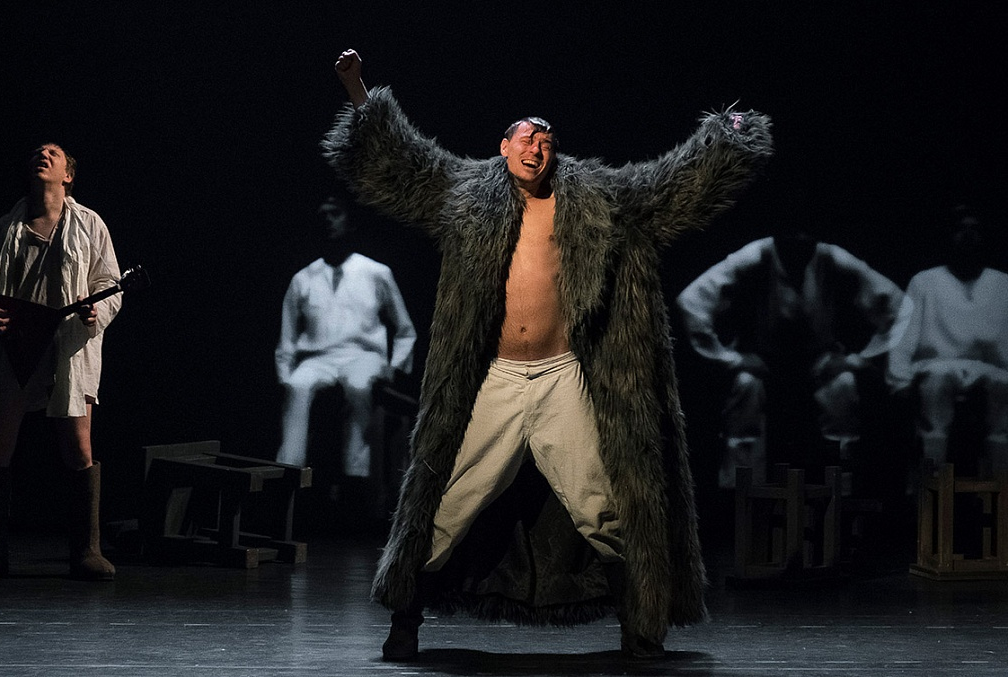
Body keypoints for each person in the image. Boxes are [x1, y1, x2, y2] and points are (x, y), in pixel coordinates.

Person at [322, 49, 773, 661]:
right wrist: (356, 87)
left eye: (546, 142)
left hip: (564, 377)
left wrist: (727, 137)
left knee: (602, 506)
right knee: (449, 503)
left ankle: (641, 626)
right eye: (527, 139)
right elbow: (399, 159)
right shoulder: (464, 193)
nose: (537, 149)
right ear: (503, 147)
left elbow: (670, 185)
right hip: (496, 378)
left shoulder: (596, 197)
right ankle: (406, 619)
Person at [0, 142, 122, 581]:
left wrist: (96, 311)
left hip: (68, 346)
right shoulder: (6, 227)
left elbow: (110, 285)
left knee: (79, 448)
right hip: (15, 344)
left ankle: (86, 550)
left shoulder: (90, 224)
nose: (42, 155)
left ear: (69, 175)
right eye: (37, 153)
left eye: (53, 153)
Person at [676, 227, 904, 489]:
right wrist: (731, 359)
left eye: (807, 234)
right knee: (745, 386)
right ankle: (741, 495)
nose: (800, 240)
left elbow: (897, 305)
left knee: (843, 386)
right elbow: (691, 302)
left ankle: (840, 491)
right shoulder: (756, 255)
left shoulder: (831, 257)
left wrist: (856, 360)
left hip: (819, 362)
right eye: (792, 233)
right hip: (764, 362)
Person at [275, 194, 417, 498]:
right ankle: (289, 469)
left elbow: (405, 330)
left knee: (358, 384)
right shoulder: (303, 278)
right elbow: (287, 337)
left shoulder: (376, 273)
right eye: (323, 215)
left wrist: (395, 367)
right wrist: (284, 373)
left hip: (362, 355)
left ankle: (356, 472)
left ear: (350, 222)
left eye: (335, 214)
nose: (328, 221)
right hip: (317, 357)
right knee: (297, 386)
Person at [888, 204, 1008, 477]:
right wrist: (900, 381)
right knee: (937, 383)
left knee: (1004, 391)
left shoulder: (1002, 284)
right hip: (936, 366)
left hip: (990, 369)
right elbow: (904, 337)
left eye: (974, 230)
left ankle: (1000, 491)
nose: (968, 236)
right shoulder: (924, 282)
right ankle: (932, 486)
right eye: (960, 229)